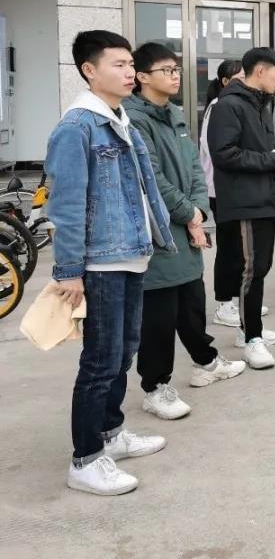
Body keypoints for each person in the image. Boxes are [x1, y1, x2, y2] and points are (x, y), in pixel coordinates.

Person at [46, 30, 175, 496]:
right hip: (100, 262)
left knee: (122, 354)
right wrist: (69, 271)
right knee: (100, 362)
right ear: (89, 70)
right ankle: (85, 459)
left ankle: (110, 434)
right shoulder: (78, 126)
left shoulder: (121, 120)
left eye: (130, 64)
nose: (128, 73)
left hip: (131, 254)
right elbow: (65, 204)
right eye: (118, 64)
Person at [125, 44, 246, 421]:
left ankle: (206, 361)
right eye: (166, 70)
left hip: (186, 223)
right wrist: (189, 213)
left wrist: (198, 210)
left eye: (176, 69)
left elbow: (195, 167)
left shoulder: (175, 113)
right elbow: (151, 178)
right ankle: (155, 387)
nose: (175, 76)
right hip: (157, 229)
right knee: (159, 316)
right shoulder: (134, 119)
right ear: (142, 77)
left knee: (192, 302)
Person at [207, 47, 275, 370]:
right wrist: (270, 160)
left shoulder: (260, 104)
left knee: (260, 267)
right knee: (250, 269)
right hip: (245, 200)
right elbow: (224, 154)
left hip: (264, 196)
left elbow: (259, 150)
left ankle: (250, 328)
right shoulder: (229, 106)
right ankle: (251, 337)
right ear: (260, 71)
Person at [199, 60, 255, 329]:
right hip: (220, 188)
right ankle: (223, 304)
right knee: (229, 247)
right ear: (224, 81)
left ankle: (238, 300)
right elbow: (215, 150)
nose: (245, 80)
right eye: (240, 76)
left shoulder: (234, 104)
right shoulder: (219, 106)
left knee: (239, 248)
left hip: (233, 187)